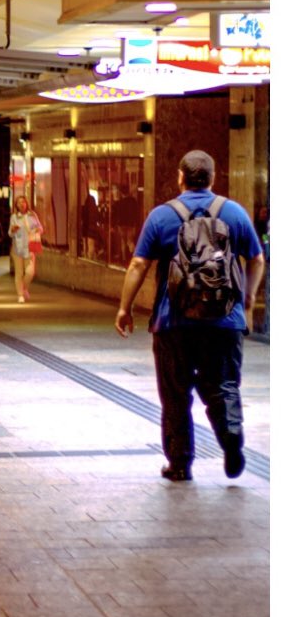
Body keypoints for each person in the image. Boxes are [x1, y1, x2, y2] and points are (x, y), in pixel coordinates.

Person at [115, 150, 265, 482]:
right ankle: (232, 442)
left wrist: (125, 307)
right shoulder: (234, 213)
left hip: (173, 324)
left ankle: (180, 463)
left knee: (175, 393)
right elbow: (256, 258)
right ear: (213, 178)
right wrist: (249, 296)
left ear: (180, 177)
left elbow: (139, 264)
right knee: (223, 385)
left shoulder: (161, 216)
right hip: (225, 322)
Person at [8, 195, 43, 304]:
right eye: (19, 203)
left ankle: (23, 288)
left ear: (26, 203)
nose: (21, 204)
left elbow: (41, 229)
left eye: (23, 202)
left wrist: (37, 229)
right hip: (17, 248)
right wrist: (13, 230)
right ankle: (20, 295)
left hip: (30, 248)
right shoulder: (14, 217)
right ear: (16, 205)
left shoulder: (32, 215)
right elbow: (9, 233)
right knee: (19, 273)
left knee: (30, 272)